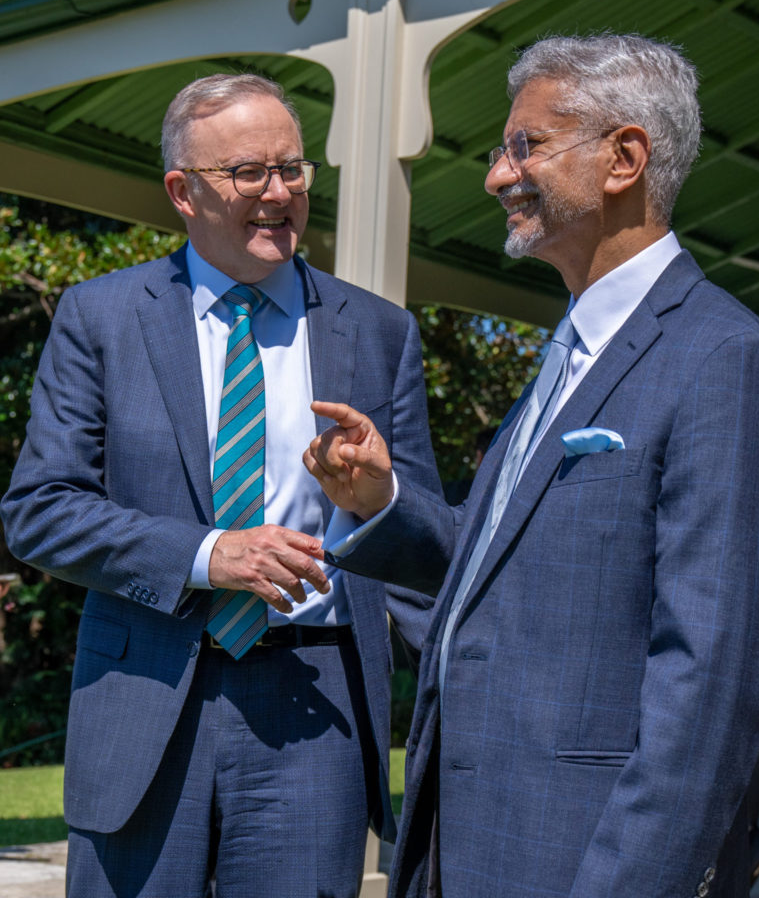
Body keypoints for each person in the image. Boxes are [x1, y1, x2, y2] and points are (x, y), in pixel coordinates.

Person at [303, 34, 759, 898]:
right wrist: (383, 505)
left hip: (581, 862)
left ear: (624, 158)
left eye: (524, 145)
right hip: (468, 846)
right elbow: (506, 580)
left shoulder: (724, 358)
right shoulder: (570, 353)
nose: (497, 176)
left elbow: (710, 685)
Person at [0, 73, 440, 898]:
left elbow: (423, 547)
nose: (278, 193)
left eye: (292, 168)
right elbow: (40, 511)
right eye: (248, 172)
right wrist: (210, 555)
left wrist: (382, 506)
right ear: (183, 191)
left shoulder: (380, 331)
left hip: (315, 709)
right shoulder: (100, 317)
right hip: (144, 695)